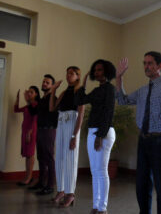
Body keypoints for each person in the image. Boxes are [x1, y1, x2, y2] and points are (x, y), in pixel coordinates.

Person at [116, 52, 161, 214]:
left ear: (160, 66)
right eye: (144, 63)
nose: (146, 67)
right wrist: (119, 78)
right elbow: (123, 101)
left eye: (150, 63)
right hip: (143, 141)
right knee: (142, 184)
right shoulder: (142, 90)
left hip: (160, 141)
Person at [75, 59, 116, 214]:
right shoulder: (97, 90)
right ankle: (95, 206)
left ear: (106, 71)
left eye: (100, 70)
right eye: (95, 70)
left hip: (103, 133)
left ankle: (103, 207)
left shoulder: (110, 90)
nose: (97, 72)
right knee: (94, 171)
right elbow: (79, 100)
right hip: (93, 132)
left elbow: (108, 113)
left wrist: (100, 135)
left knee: (101, 170)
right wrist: (83, 84)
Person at [49, 66, 85, 207]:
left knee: (70, 159)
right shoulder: (64, 92)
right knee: (59, 157)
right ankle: (61, 190)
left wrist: (74, 135)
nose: (68, 75)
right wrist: (54, 91)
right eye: (67, 73)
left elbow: (81, 114)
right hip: (61, 122)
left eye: (72, 73)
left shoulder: (80, 92)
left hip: (72, 123)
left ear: (77, 76)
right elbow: (52, 108)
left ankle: (71, 193)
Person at [28, 74, 58, 195]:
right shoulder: (41, 100)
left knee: (49, 158)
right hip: (40, 130)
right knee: (41, 157)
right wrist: (30, 101)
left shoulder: (53, 98)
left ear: (52, 86)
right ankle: (41, 182)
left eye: (47, 82)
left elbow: (53, 114)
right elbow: (34, 112)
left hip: (49, 130)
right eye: (43, 81)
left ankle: (50, 186)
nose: (44, 84)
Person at [14, 86, 40, 186]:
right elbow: (16, 110)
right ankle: (27, 176)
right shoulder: (28, 106)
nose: (29, 93)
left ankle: (28, 177)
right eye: (28, 92)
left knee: (30, 154)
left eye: (31, 92)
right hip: (25, 132)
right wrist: (17, 99)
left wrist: (30, 132)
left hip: (31, 132)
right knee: (27, 155)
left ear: (36, 94)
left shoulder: (35, 105)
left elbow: (35, 119)